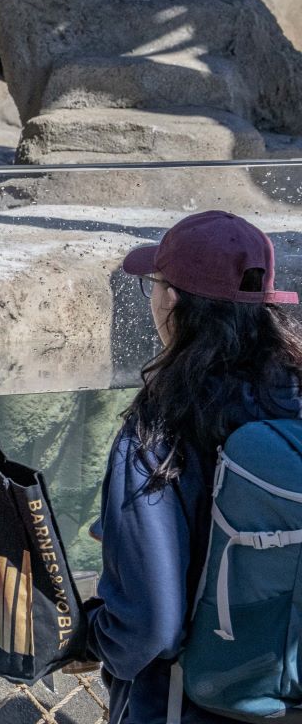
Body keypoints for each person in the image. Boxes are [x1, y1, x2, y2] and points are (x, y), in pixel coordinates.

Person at [85, 211, 302, 724]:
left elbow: (151, 624)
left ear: (172, 299)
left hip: (186, 702)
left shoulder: (161, 426)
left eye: (153, 285)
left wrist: (91, 635)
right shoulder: (293, 397)